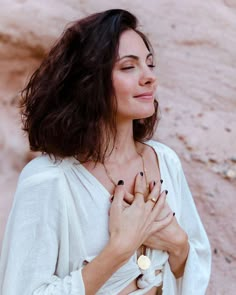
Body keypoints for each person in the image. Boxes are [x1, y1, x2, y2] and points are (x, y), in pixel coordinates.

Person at [0, 9, 211, 295]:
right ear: (88, 81)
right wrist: (119, 250)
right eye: (128, 67)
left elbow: (195, 269)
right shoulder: (50, 181)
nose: (149, 77)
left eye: (149, 65)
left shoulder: (164, 161)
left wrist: (178, 243)